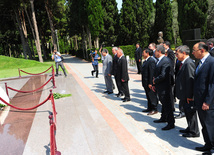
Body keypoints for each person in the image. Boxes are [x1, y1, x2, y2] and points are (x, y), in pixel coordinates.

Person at [192, 42, 214, 153]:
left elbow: (212, 84)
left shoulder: (211, 62)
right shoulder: (199, 62)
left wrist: (208, 101)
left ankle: (212, 147)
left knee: (210, 125)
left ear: (201, 50)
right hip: (199, 100)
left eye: (194, 50)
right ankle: (207, 144)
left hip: (207, 102)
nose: (192, 52)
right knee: (204, 124)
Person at [175, 45, 200, 138]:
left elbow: (190, 80)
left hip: (188, 95)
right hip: (184, 94)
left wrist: (190, 96)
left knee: (191, 113)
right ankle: (190, 127)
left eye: (177, 54)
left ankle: (194, 131)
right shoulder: (184, 63)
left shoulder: (188, 63)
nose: (176, 56)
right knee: (187, 112)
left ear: (184, 53)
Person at [152, 45, 175, 130]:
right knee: (164, 104)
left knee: (167, 105)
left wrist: (155, 81)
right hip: (160, 86)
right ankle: (163, 117)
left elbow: (163, 75)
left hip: (164, 87)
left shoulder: (165, 60)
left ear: (159, 51)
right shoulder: (160, 60)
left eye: (155, 51)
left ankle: (171, 123)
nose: (154, 52)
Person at [141, 48, 158, 115]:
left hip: (149, 82)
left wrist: (151, 83)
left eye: (143, 53)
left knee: (152, 96)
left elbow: (151, 72)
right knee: (148, 95)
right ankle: (149, 107)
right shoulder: (145, 61)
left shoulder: (151, 61)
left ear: (147, 53)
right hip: (145, 82)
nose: (142, 54)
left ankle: (154, 108)